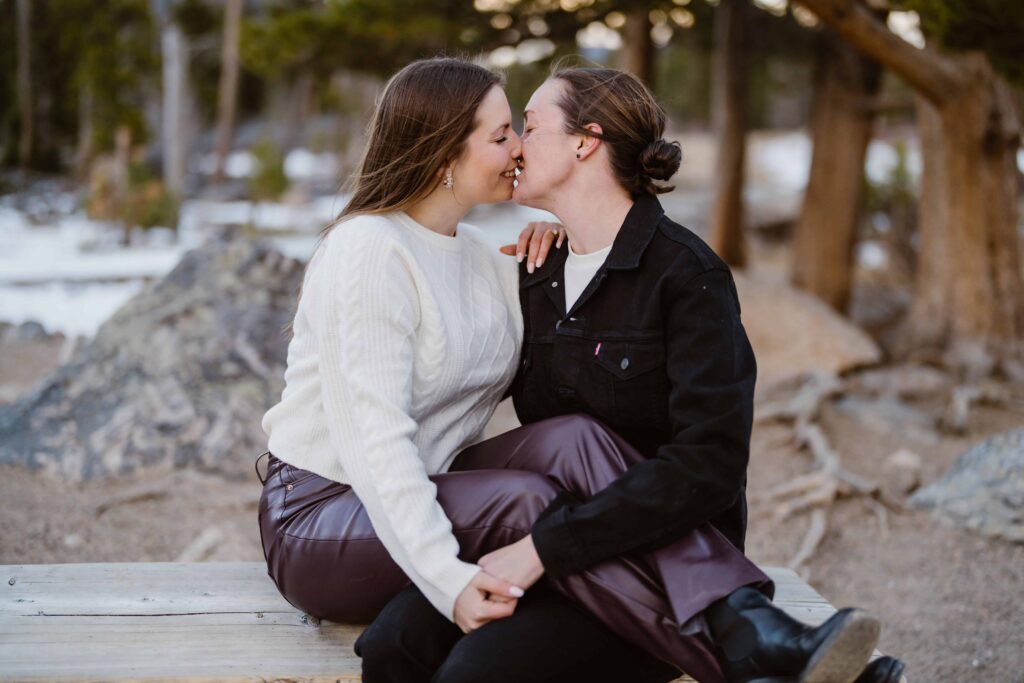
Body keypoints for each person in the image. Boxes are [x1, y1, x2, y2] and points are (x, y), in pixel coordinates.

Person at [355, 66, 908, 683]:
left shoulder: (687, 276)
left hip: (656, 566)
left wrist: (547, 549)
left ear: (584, 142)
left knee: (478, 672)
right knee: (392, 643)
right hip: (547, 541)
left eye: (529, 127)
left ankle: (759, 639)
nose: (514, 146)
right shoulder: (536, 270)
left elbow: (710, 465)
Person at [256, 56, 728, 683]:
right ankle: (745, 657)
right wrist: (447, 581)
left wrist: (565, 238)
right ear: (444, 153)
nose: (517, 150)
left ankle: (743, 618)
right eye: (502, 134)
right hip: (326, 513)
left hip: (430, 493)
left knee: (573, 439)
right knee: (528, 500)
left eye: (522, 130)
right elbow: (374, 446)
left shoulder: (488, 261)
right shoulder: (367, 249)